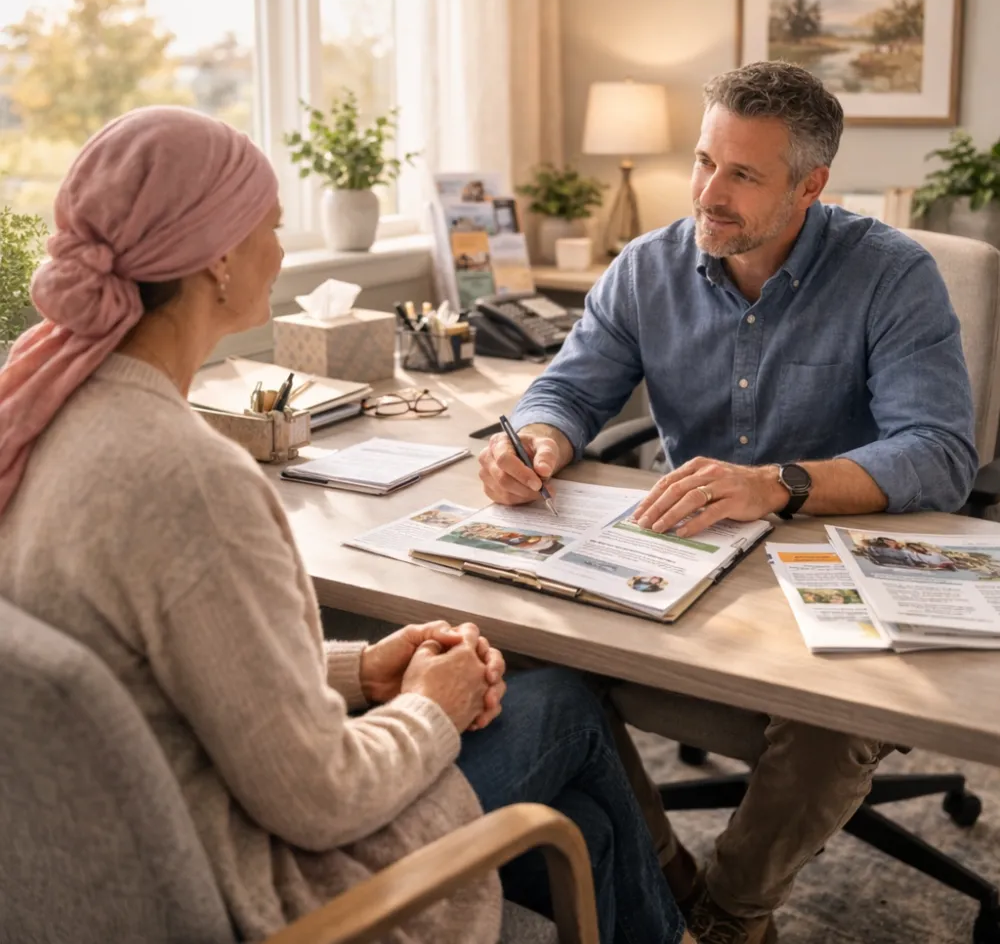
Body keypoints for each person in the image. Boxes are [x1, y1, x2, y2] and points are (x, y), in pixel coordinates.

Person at [0, 108, 690, 944]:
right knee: (566, 707)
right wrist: (434, 704)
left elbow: (169, 664)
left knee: (585, 823)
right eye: (274, 226)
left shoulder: (38, 415)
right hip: (260, 888)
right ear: (217, 258)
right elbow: (319, 795)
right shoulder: (192, 483)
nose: (282, 252)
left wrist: (365, 670)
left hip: (121, 859)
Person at [478, 61, 977, 944]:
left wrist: (777, 483)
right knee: (526, 647)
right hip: (691, 558)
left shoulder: (891, 275)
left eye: (743, 174)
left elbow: (939, 455)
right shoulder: (647, 268)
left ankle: (730, 915)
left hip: (839, 567)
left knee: (833, 723)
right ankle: (662, 871)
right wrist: (541, 442)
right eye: (705, 161)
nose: (710, 192)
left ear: (810, 185)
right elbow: (567, 389)